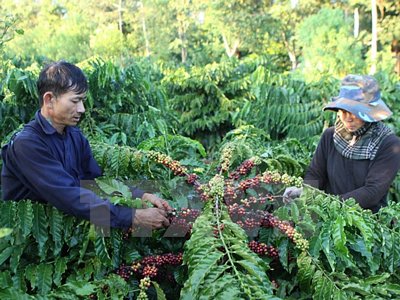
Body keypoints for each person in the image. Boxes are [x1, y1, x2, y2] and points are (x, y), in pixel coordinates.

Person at [1, 61, 171, 229]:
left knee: (176, 221)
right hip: (31, 241)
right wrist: (132, 217)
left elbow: (93, 184)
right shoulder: (27, 144)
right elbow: (68, 197)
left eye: (82, 101)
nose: (82, 109)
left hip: (68, 228)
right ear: (49, 99)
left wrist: (140, 195)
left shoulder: (75, 136)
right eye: (75, 101)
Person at [284, 74, 400, 213]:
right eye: (343, 111)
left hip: (367, 221)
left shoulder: (388, 144)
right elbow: (315, 174)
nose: (347, 118)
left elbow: (372, 192)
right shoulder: (330, 136)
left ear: (370, 112)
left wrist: (329, 204)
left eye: (353, 112)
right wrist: (305, 193)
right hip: (328, 215)